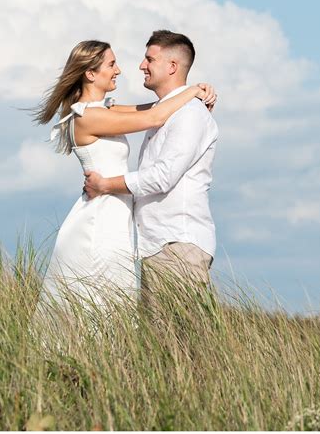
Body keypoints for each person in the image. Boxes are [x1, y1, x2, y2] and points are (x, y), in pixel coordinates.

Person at [32, 39, 216, 310]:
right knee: (99, 300)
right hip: (101, 213)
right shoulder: (87, 117)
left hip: (118, 216)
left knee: (113, 302)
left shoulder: (103, 110)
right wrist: (193, 91)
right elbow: (154, 118)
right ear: (91, 74)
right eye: (111, 64)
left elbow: (155, 108)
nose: (119, 70)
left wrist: (195, 93)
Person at [83, 30, 218, 310]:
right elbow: (109, 109)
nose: (141, 65)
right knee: (162, 343)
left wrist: (105, 185)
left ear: (172, 67)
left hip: (177, 244)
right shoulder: (168, 110)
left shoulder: (191, 114)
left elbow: (162, 177)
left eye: (149, 59)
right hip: (157, 245)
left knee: (181, 343)